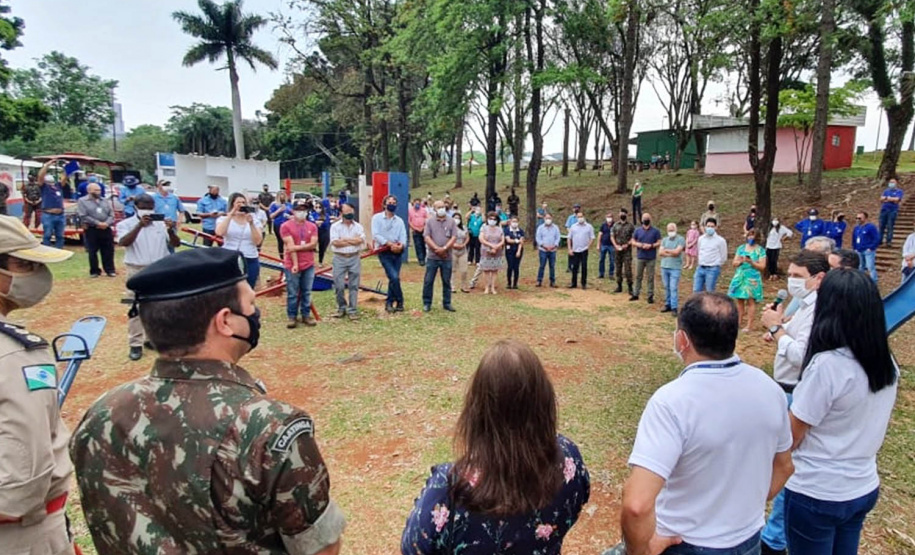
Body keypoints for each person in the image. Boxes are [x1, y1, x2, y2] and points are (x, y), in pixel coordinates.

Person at [70, 248, 346, 553]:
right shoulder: (269, 425)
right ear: (225, 321)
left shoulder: (102, 412)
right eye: (252, 304)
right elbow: (319, 547)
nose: (256, 314)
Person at [618, 293, 793, 555]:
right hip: (748, 540)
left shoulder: (671, 402)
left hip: (685, 543)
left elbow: (637, 505)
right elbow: (785, 466)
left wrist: (640, 551)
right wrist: (741, 506)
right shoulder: (771, 389)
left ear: (682, 340)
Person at [401, 340, 590, 554]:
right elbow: (579, 499)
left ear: (476, 409)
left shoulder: (450, 488)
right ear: (545, 400)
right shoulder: (569, 459)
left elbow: (413, 547)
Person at [783, 269, 898, 555]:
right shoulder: (887, 363)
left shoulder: (828, 366)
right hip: (862, 485)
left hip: (817, 490)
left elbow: (792, 435)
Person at [0, 216, 78, 555]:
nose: (38, 276)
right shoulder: (16, 356)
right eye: (24, 264)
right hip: (20, 534)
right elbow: (22, 478)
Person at [758, 250, 829, 555]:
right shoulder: (804, 304)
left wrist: (776, 329)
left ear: (818, 277)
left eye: (798, 276)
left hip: (796, 390)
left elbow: (803, 356)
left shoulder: (818, 309)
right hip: (784, 388)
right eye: (790, 275)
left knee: (788, 462)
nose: (791, 281)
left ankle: (774, 538)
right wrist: (780, 330)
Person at [117, 194, 181, 360]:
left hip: (159, 268)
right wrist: (139, 225)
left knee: (159, 306)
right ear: (136, 206)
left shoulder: (160, 224)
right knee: (135, 307)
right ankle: (135, 344)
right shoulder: (125, 224)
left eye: (151, 205)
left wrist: (170, 229)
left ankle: (153, 338)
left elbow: (175, 243)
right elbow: (124, 242)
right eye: (144, 205)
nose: (148, 208)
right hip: (136, 268)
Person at [282, 200, 319, 328]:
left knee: (306, 291)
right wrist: (295, 264)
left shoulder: (312, 226)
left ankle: (306, 315)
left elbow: (313, 244)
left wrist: (297, 248)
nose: (301, 212)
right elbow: (289, 246)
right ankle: (292, 316)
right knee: (292, 292)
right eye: (298, 209)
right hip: (292, 263)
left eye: (304, 209)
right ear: (293, 211)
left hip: (308, 263)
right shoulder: (285, 226)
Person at [215, 193, 263, 288]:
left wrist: (251, 223)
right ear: (232, 204)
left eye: (243, 202)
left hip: (249, 257)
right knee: (230, 288)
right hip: (230, 257)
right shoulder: (223, 219)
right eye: (238, 203)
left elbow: (257, 241)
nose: (241, 205)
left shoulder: (255, 220)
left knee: (249, 287)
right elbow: (219, 232)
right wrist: (231, 214)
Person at [329, 203, 365, 320]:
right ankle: (341, 307)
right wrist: (353, 241)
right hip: (339, 257)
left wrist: (344, 240)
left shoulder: (358, 227)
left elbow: (361, 241)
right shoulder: (335, 227)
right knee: (338, 285)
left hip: (354, 257)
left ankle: (352, 310)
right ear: (341, 213)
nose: (350, 214)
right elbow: (335, 243)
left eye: (351, 211)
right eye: (347, 211)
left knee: (354, 285)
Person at [373, 194, 408, 312]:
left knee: (394, 278)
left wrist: (400, 245)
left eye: (394, 203)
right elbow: (376, 234)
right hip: (384, 251)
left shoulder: (399, 221)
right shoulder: (377, 218)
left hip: (397, 252)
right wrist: (389, 244)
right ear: (384, 204)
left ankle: (389, 303)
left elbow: (403, 236)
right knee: (394, 276)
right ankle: (400, 300)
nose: (391, 205)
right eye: (389, 203)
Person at [727, 228, 767, 332]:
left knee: (750, 301)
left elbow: (762, 266)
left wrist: (751, 262)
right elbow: (734, 263)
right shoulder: (741, 248)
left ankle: (749, 325)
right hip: (740, 276)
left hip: (752, 277)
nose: (750, 238)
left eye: (753, 236)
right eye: (749, 235)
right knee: (739, 300)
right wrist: (740, 261)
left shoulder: (760, 250)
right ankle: (739, 322)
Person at [423, 200, 457, 312]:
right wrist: (436, 249)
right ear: (434, 209)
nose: (442, 209)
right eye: (439, 207)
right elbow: (427, 237)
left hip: (447, 256)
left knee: (446, 281)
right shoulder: (429, 221)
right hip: (432, 256)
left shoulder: (451, 221)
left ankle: (447, 303)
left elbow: (454, 237)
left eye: (443, 206)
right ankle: (427, 303)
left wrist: (444, 248)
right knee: (428, 280)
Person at [77, 182, 117, 278]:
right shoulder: (82, 201)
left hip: (106, 228)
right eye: (96, 190)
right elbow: (83, 215)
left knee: (108, 250)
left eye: (99, 190)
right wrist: (97, 223)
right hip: (92, 229)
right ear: (89, 191)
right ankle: (94, 271)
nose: (98, 192)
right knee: (92, 251)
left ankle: (110, 270)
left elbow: (111, 214)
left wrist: (106, 223)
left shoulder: (105, 200)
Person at [630, 212, 661, 303]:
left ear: (650, 219)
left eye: (647, 218)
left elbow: (659, 242)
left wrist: (651, 245)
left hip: (651, 257)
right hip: (640, 256)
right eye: (644, 218)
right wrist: (639, 244)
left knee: (650, 277)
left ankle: (650, 296)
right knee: (638, 276)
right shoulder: (637, 230)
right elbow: (632, 241)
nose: (646, 219)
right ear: (642, 219)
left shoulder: (656, 231)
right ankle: (636, 294)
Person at [693, 218, 728, 292]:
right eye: (708, 226)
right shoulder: (701, 239)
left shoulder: (720, 240)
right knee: (696, 290)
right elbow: (699, 251)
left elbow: (723, 256)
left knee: (710, 291)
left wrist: (716, 264)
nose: (710, 228)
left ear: (716, 227)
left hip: (712, 269)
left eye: (712, 226)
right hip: (700, 268)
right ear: (705, 227)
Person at [37, 162, 66, 248]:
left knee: (60, 235)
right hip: (48, 215)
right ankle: (47, 251)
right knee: (47, 234)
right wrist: (47, 165)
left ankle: (59, 251)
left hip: (60, 215)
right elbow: (40, 177)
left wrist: (66, 168)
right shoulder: (44, 187)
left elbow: (64, 178)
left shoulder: (58, 186)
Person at [659, 222, 685, 316]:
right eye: (669, 230)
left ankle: (674, 307)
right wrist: (671, 253)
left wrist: (667, 251)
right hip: (664, 266)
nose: (671, 232)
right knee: (667, 287)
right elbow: (660, 253)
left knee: (673, 287)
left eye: (672, 230)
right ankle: (668, 304)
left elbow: (677, 252)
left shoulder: (680, 239)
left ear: (676, 230)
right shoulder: (664, 240)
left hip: (675, 267)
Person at [478, 211, 505, 295]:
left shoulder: (499, 229)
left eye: (494, 219)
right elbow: (481, 239)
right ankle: (486, 287)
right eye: (490, 218)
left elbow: (502, 240)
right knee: (486, 270)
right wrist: (491, 246)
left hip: (497, 252)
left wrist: (496, 247)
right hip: (486, 251)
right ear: (487, 219)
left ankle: (493, 287)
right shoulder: (484, 228)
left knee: (494, 270)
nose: (492, 220)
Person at [567, 210, 594, 289]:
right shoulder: (573, 226)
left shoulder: (589, 227)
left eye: (581, 216)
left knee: (584, 266)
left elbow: (592, 237)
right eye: (578, 217)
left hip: (584, 250)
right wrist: (569, 249)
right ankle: (573, 283)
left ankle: (583, 283)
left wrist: (588, 246)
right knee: (575, 267)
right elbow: (569, 238)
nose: (580, 218)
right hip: (575, 249)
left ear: (584, 217)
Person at [611, 209, 636, 295]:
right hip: (617, 250)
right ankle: (619, 286)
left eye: (624, 213)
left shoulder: (630, 226)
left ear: (626, 214)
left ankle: (630, 287)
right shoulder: (615, 225)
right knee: (618, 268)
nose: (622, 214)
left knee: (627, 269)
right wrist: (615, 245)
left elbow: (634, 237)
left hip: (627, 251)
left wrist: (627, 244)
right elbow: (612, 236)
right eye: (621, 213)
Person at [853, 211, 880, 282]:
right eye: (857, 218)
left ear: (865, 218)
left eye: (860, 218)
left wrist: (871, 247)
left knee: (870, 266)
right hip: (859, 250)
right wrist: (854, 248)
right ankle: (861, 281)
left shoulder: (871, 227)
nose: (858, 220)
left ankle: (874, 281)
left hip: (868, 250)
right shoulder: (856, 228)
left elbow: (876, 238)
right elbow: (854, 238)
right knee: (860, 266)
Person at [536, 212, 560, 287]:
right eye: (547, 218)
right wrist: (544, 246)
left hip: (553, 250)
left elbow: (558, 237)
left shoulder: (556, 227)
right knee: (542, 265)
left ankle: (552, 281)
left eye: (549, 218)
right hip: (543, 250)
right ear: (544, 219)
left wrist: (554, 245)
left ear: (552, 219)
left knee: (552, 266)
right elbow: (538, 238)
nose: (548, 220)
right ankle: (539, 280)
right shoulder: (540, 228)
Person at [878, 177, 903, 246]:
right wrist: (889, 199)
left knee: (890, 226)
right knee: (881, 226)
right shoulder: (886, 191)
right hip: (884, 210)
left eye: (893, 182)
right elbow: (881, 199)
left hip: (892, 211)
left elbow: (897, 200)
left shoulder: (899, 191)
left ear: (896, 183)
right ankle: (880, 240)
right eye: (890, 182)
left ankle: (888, 241)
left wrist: (887, 199)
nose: (891, 184)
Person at [269, 191, 292, 258]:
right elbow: (271, 216)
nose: (283, 197)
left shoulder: (289, 204)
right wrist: (279, 210)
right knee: (280, 241)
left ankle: (289, 256)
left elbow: (294, 214)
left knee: (289, 241)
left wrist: (290, 216)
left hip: (288, 225)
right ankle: (281, 258)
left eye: (284, 195)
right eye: (281, 195)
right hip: (278, 224)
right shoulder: (274, 205)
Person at [504, 215, 525, 289]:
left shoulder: (521, 231)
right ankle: (509, 283)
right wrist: (517, 240)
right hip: (509, 251)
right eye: (513, 221)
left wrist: (519, 251)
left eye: (516, 222)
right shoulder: (507, 230)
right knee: (510, 266)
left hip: (518, 250)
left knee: (516, 267)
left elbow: (521, 242)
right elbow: (508, 240)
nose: (514, 223)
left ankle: (515, 283)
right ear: (510, 222)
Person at [452, 212, 470, 293]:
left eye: (458, 218)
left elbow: (467, 237)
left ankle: (463, 286)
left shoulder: (463, 227)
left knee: (464, 270)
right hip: (452, 250)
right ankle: (452, 286)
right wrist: (453, 244)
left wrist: (464, 244)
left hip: (463, 250)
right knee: (452, 269)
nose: (457, 220)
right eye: (455, 218)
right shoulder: (450, 228)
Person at [311, 199, 332, 266]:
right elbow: (311, 222)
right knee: (311, 246)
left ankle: (320, 261)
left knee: (322, 247)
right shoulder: (312, 214)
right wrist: (316, 223)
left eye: (319, 207)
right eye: (316, 207)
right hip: (314, 232)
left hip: (323, 232)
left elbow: (326, 223)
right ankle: (311, 261)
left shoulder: (326, 215)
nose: (318, 209)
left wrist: (319, 223)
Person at [409, 197, 429, 266]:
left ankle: (425, 257)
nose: (417, 204)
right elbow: (409, 221)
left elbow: (427, 219)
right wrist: (415, 228)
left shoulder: (423, 210)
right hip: (415, 230)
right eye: (416, 203)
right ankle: (421, 260)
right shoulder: (410, 211)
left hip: (423, 230)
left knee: (424, 245)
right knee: (418, 245)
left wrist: (423, 227)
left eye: (418, 203)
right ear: (413, 203)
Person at [598, 212, 616, 280]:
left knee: (612, 260)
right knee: (601, 259)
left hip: (612, 245)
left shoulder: (615, 225)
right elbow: (600, 235)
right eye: (608, 217)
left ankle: (611, 274)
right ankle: (601, 273)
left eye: (610, 217)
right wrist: (598, 245)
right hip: (603, 244)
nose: (609, 218)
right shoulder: (603, 225)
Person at [564, 203, 582, 272]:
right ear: (573, 209)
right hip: (572, 237)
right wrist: (571, 233)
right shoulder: (570, 217)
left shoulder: (581, 218)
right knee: (571, 252)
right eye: (575, 208)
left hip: (579, 238)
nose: (576, 209)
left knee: (578, 253)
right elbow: (567, 226)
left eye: (577, 208)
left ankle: (577, 267)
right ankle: (569, 267)